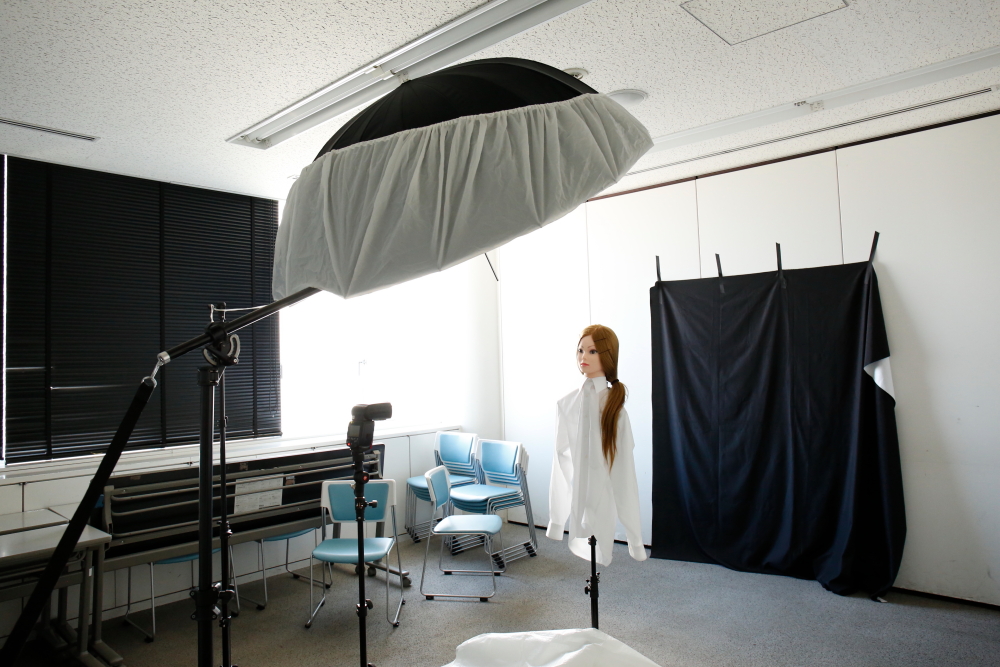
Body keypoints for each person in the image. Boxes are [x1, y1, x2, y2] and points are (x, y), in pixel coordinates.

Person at [546, 324, 647, 565]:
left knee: (615, 491)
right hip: (578, 498)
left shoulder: (615, 411)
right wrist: (557, 519)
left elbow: (624, 476)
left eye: (593, 351)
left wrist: (634, 538)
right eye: (580, 350)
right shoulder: (566, 404)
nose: (584, 357)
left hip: (603, 501)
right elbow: (561, 463)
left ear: (608, 355)